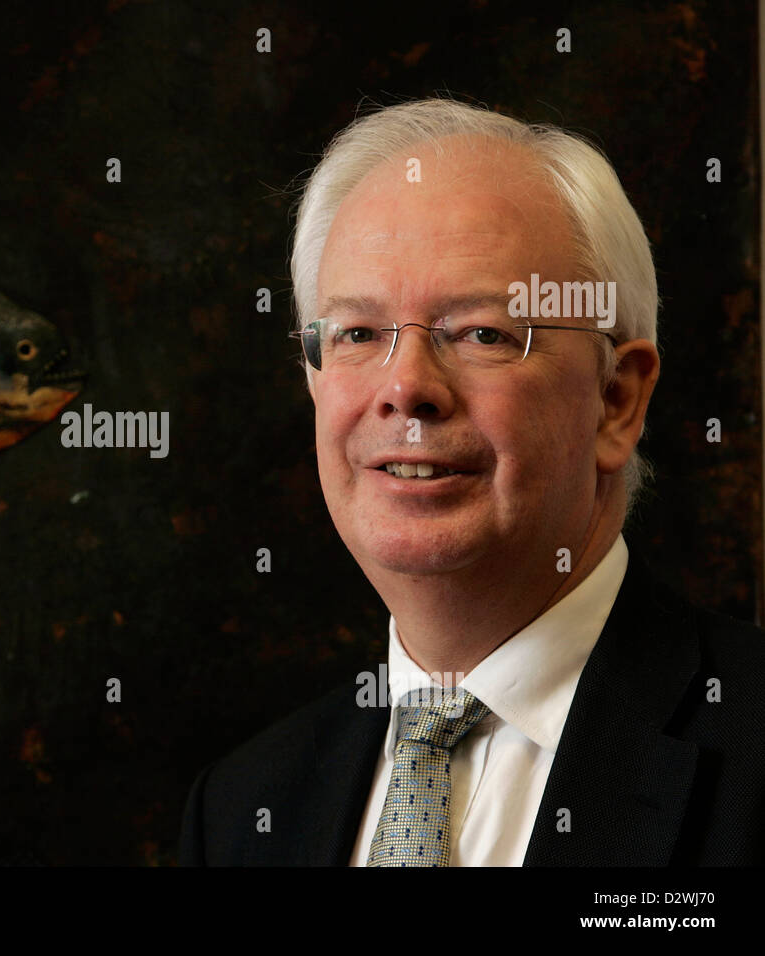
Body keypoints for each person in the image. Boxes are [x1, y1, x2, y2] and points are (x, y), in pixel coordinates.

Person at [179, 98, 765, 866]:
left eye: (483, 333)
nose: (406, 387)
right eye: (358, 333)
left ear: (617, 401)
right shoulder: (241, 810)